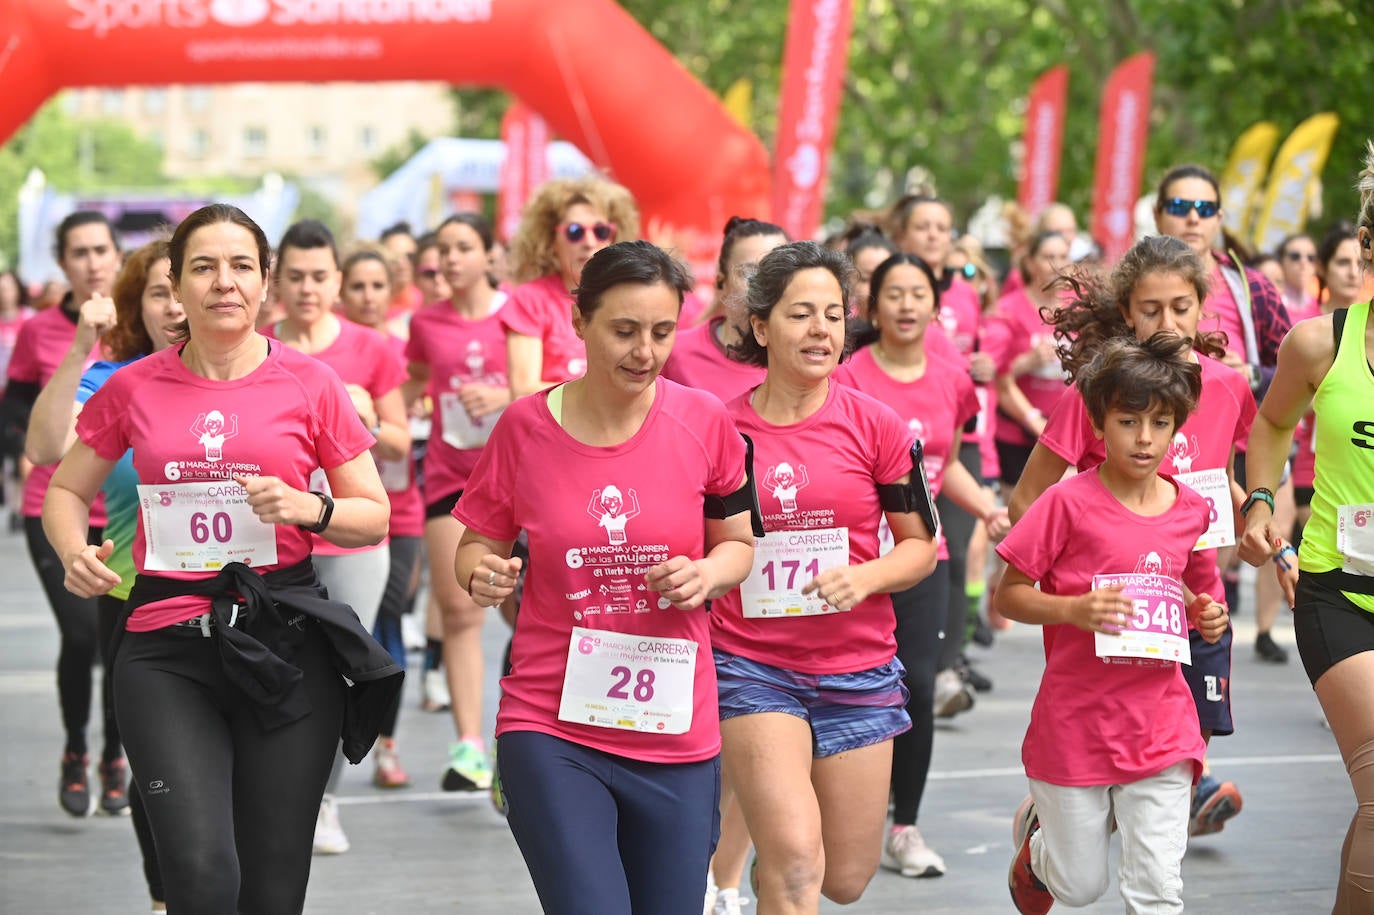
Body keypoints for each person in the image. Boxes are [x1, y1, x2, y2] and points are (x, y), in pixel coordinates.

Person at [42, 203, 400, 915]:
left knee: (271, 893)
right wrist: (72, 550)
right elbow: (62, 488)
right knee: (201, 878)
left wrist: (311, 508)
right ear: (175, 283)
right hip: (166, 650)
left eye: (241, 266)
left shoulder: (312, 383)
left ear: (264, 281)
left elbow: (374, 516)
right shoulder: (135, 384)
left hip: (284, 646)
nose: (224, 282)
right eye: (203, 266)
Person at [452, 240, 755, 914]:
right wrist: (485, 575)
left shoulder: (704, 420)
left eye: (660, 332)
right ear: (579, 320)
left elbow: (738, 544)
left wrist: (706, 572)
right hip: (551, 723)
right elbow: (475, 544)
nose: (644, 351)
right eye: (624, 330)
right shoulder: (525, 427)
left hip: (675, 727)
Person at [710, 241, 938, 912]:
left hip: (857, 668)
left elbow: (919, 546)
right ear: (761, 326)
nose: (821, 331)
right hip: (752, 665)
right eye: (801, 314)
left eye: (833, 316)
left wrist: (865, 577)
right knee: (796, 862)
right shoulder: (720, 431)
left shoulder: (878, 425)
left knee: (843, 877)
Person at [1008, 234, 1255, 839]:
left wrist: (1267, 532)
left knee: (1185, 732)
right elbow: (1026, 497)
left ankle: (1155, 845)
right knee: (1106, 754)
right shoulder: (1095, 393)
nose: (1167, 322)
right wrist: (1066, 593)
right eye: (1151, 309)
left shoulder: (1227, 388)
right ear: (1127, 313)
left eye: (1180, 306)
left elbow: (1221, 481)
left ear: (1203, 305)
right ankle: (1062, 821)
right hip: (1102, 612)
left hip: (1194, 598)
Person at [998, 332, 1229, 915]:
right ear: (1100, 426)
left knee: (1157, 891)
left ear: (1179, 428)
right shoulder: (1066, 502)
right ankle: (1041, 851)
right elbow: (1009, 596)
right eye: (1128, 422)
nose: (1145, 438)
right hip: (1076, 721)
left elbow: (1202, 591)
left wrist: (1209, 615)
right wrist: (1072, 609)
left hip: (1162, 725)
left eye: (1160, 423)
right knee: (1079, 888)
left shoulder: (1190, 509)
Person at [838, 251, 1009, 878]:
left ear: (936, 306)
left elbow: (948, 462)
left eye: (918, 294)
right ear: (872, 307)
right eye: (894, 294)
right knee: (844, 685)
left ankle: (904, 826)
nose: (907, 305)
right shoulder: (848, 374)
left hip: (921, 556)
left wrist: (987, 509)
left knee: (914, 684)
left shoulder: (951, 377)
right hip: (851, 559)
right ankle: (834, 808)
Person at [27, 238, 182, 912]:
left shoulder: (272, 379)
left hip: (249, 600)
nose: (178, 304)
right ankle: (162, 895)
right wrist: (79, 348)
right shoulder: (113, 383)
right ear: (136, 306)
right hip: (135, 597)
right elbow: (42, 448)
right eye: (159, 291)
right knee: (161, 770)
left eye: (192, 280)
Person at [1238, 146, 1374, 911]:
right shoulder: (1322, 342)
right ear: (1368, 246)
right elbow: (1271, 426)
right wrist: (1261, 499)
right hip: (1336, 594)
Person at [266, 219, 411, 855]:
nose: (307, 289)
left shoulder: (372, 347)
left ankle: (323, 802)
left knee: (338, 671)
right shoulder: (258, 345)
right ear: (276, 281)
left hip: (351, 533)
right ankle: (271, 792)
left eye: (319, 276)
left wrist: (367, 415)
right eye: (294, 276)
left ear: (338, 280)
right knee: (280, 669)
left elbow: (406, 441)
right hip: (274, 537)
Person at [1, 211, 122, 817]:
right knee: (81, 638)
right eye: (79, 252)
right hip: (55, 505)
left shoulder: (141, 324)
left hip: (126, 509)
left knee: (123, 640)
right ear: (62, 262)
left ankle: (115, 756)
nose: (93, 261)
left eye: (101, 249)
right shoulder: (41, 331)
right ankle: (76, 749)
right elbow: (16, 400)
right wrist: (27, 441)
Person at [405, 212, 512, 794]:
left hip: (521, 481)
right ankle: (469, 746)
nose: (449, 259)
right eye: (441, 249)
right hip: (452, 479)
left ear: (490, 255)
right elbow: (417, 376)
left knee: (531, 619)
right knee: (460, 609)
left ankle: (518, 738)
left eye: (463, 247)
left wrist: (502, 395)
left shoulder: (517, 314)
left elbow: (550, 383)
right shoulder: (426, 321)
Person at [340, 245, 425, 788]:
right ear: (340, 292)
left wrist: (376, 419)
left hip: (400, 508)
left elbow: (408, 431)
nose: (368, 297)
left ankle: (387, 745)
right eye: (357, 287)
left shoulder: (399, 351)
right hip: (331, 513)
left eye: (377, 286)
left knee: (388, 619)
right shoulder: (323, 349)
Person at [504, 177, 640, 398]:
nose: (589, 241)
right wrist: (603, 394)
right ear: (550, 240)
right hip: (552, 427)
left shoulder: (631, 297)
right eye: (575, 231)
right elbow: (523, 391)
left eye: (601, 231)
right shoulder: (530, 299)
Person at [661, 216, 787, 405]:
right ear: (721, 281)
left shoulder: (808, 359)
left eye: (777, 271)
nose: (765, 284)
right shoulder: (673, 353)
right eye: (748, 272)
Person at [991, 230, 1072, 488]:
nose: (1057, 265)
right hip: (1018, 432)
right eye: (1049, 257)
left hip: (1065, 432)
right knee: (1017, 516)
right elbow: (993, 374)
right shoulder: (1008, 308)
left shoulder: (1078, 308)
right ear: (1030, 263)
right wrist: (1028, 361)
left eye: (1063, 256)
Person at [1275, 233, 1320, 317]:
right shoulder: (1272, 304)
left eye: (1311, 258)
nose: (1304, 262)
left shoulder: (1321, 309)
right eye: (1295, 256)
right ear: (1281, 261)